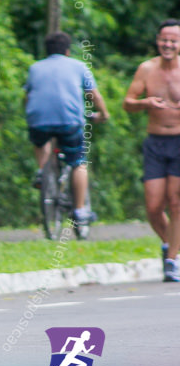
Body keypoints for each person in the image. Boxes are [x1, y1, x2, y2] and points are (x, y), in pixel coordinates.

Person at [24, 32, 109, 234]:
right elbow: (93, 95)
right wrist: (103, 114)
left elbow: (27, 97)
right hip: (69, 121)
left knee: (40, 141)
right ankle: (80, 211)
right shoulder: (78, 66)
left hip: (38, 120)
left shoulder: (34, 68)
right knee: (78, 162)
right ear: (68, 51)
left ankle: (42, 171)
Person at [122, 19, 180, 282]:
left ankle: (171, 261)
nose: (168, 44)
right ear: (157, 41)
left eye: (173, 40)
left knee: (176, 203)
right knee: (154, 207)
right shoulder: (146, 69)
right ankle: (173, 246)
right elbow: (127, 103)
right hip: (155, 143)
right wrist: (146, 103)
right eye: (164, 40)